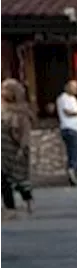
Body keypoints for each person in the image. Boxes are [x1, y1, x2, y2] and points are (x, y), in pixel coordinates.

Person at [0, 78, 35, 217]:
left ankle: (28, 200)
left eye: (7, 90)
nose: (3, 93)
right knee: (2, 178)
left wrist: (23, 147)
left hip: (15, 149)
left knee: (20, 179)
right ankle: (9, 207)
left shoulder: (21, 112)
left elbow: (25, 132)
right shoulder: (2, 110)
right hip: (2, 150)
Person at [56, 79, 77, 186]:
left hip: (76, 128)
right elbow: (67, 112)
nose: (75, 89)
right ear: (67, 87)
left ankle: (72, 171)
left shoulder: (73, 98)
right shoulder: (63, 98)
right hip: (70, 128)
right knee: (75, 153)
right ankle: (71, 169)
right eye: (73, 87)